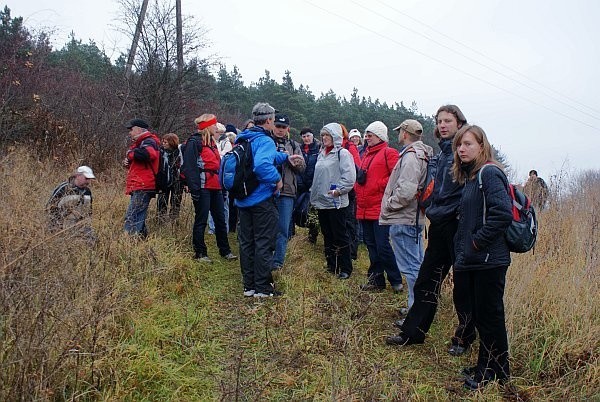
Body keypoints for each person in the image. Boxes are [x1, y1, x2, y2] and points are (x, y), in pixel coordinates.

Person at [386, 105, 475, 357]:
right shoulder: (444, 151)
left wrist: (451, 210)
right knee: (427, 279)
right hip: (439, 224)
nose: (443, 125)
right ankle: (412, 333)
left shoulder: (466, 150)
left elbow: (467, 191)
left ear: (460, 122)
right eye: (439, 121)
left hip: (458, 226)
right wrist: (430, 204)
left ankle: (464, 337)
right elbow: (436, 186)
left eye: (448, 120)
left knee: (463, 285)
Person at [451, 125, 513, 390]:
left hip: (490, 259)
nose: (461, 149)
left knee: (490, 317)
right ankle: (486, 365)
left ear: (481, 146)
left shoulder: (489, 173)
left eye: (467, 144)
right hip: (476, 259)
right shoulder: (472, 176)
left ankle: (492, 372)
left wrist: (476, 242)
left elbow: (502, 214)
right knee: (481, 315)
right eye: (458, 145)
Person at [235, 102, 303, 297]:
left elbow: (261, 158)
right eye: (274, 120)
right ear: (269, 120)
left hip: (243, 199)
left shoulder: (245, 138)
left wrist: (284, 158)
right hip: (262, 200)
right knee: (264, 243)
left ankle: (249, 286)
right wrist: (277, 180)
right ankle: (263, 288)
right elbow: (262, 165)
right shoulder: (265, 140)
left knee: (246, 243)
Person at [380, 119, 433, 316]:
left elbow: (406, 190)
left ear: (405, 133)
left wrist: (389, 205)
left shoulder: (411, 156)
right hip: (414, 217)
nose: (398, 135)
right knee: (416, 264)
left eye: (399, 131)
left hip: (404, 217)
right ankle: (416, 307)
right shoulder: (423, 154)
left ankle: (417, 311)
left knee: (411, 268)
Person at [181, 113, 237, 263]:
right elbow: (190, 167)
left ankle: (225, 251)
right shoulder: (194, 142)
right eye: (213, 124)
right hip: (202, 187)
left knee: (220, 219)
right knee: (201, 220)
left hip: (216, 187)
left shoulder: (212, 143)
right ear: (207, 126)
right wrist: (195, 190)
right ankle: (200, 253)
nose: (216, 126)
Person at [355, 121, 402, 292]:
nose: (366, 137)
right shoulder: (366, 155)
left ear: (380, 136)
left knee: (382, 246)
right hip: (364, 207)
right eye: (366, 134)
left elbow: (396, 177)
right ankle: (376, 281)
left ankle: (396, 280)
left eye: (370, 134)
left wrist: (378, 185)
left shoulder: (389, 153)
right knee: (371, 246)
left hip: (380, 207)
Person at [310, 123, 357, 279]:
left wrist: (339, 190)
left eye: (327, 135)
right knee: (327, 233)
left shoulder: (342, 154)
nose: (324, 138)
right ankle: (332, 264)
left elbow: (350, 177)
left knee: (340, 234)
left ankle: (346, 267)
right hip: (322, 202)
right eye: (323, 135)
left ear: (335, 137)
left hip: (336, 202)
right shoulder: (321, 153)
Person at [271, 113, 305, 271]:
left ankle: (278, 262)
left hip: (287, 192)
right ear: (273, 126)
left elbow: (302, 168)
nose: (280, 129)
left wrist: (290, 160)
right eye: (278, 126)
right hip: (267, 191)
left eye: (283, 127)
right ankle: (264, 258)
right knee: (267, 227)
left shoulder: (294, 145)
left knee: (283, 229)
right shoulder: (267, 141)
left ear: (288, 129)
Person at [123, 118, 160, 237]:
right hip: (140, 184)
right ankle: (143, 241)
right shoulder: (142, 143)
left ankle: (129, 243)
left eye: (131, 129)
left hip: (143, 184)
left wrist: (130, 154)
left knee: (132, 215)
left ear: (139, 129)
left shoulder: (148, 141)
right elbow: (142, 161)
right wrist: (129, 162)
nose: (129, 132)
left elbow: (149, 154)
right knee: (139, 214)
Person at [46, 165, 96, 242]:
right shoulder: (64, 188)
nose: (88, 181)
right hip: (62, 226)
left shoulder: (88, 192)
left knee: (92, 241)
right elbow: (50, 206)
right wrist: (55, 225)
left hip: (80, 226)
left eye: (90, 179)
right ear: (77, 176)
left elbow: (88, 211)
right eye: (86, 178)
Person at [295, 127, 321, 243]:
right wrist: (299, 182)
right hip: (300, 184)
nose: (306, 138)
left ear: (312, 136)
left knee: (313, 212)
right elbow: (296, 166)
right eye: (304, 136)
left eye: (308, 136)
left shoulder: (319, 148)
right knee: (297, 208)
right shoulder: (298, 149)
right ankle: (293, 234)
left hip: (314, 185)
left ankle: (313, 235)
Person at [341, 124, 361, 260]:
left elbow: (358, 168)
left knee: (349, 221)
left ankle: (352, 252)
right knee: (341, 221)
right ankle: (343, 249)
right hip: (336, 189)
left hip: (349, 190)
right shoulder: (332, 148)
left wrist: (353, 187)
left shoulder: (349, 147)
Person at [157, 133, 183, 222]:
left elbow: (183, 166)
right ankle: (161, 222)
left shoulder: (179, 152)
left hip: (177, 181)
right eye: (163, 142)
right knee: (161, 202)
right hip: (163, 180)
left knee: (176, 202)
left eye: (166, 142)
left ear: (172, 143)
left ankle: (174, 222)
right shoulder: (160, 152)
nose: (163, 144)